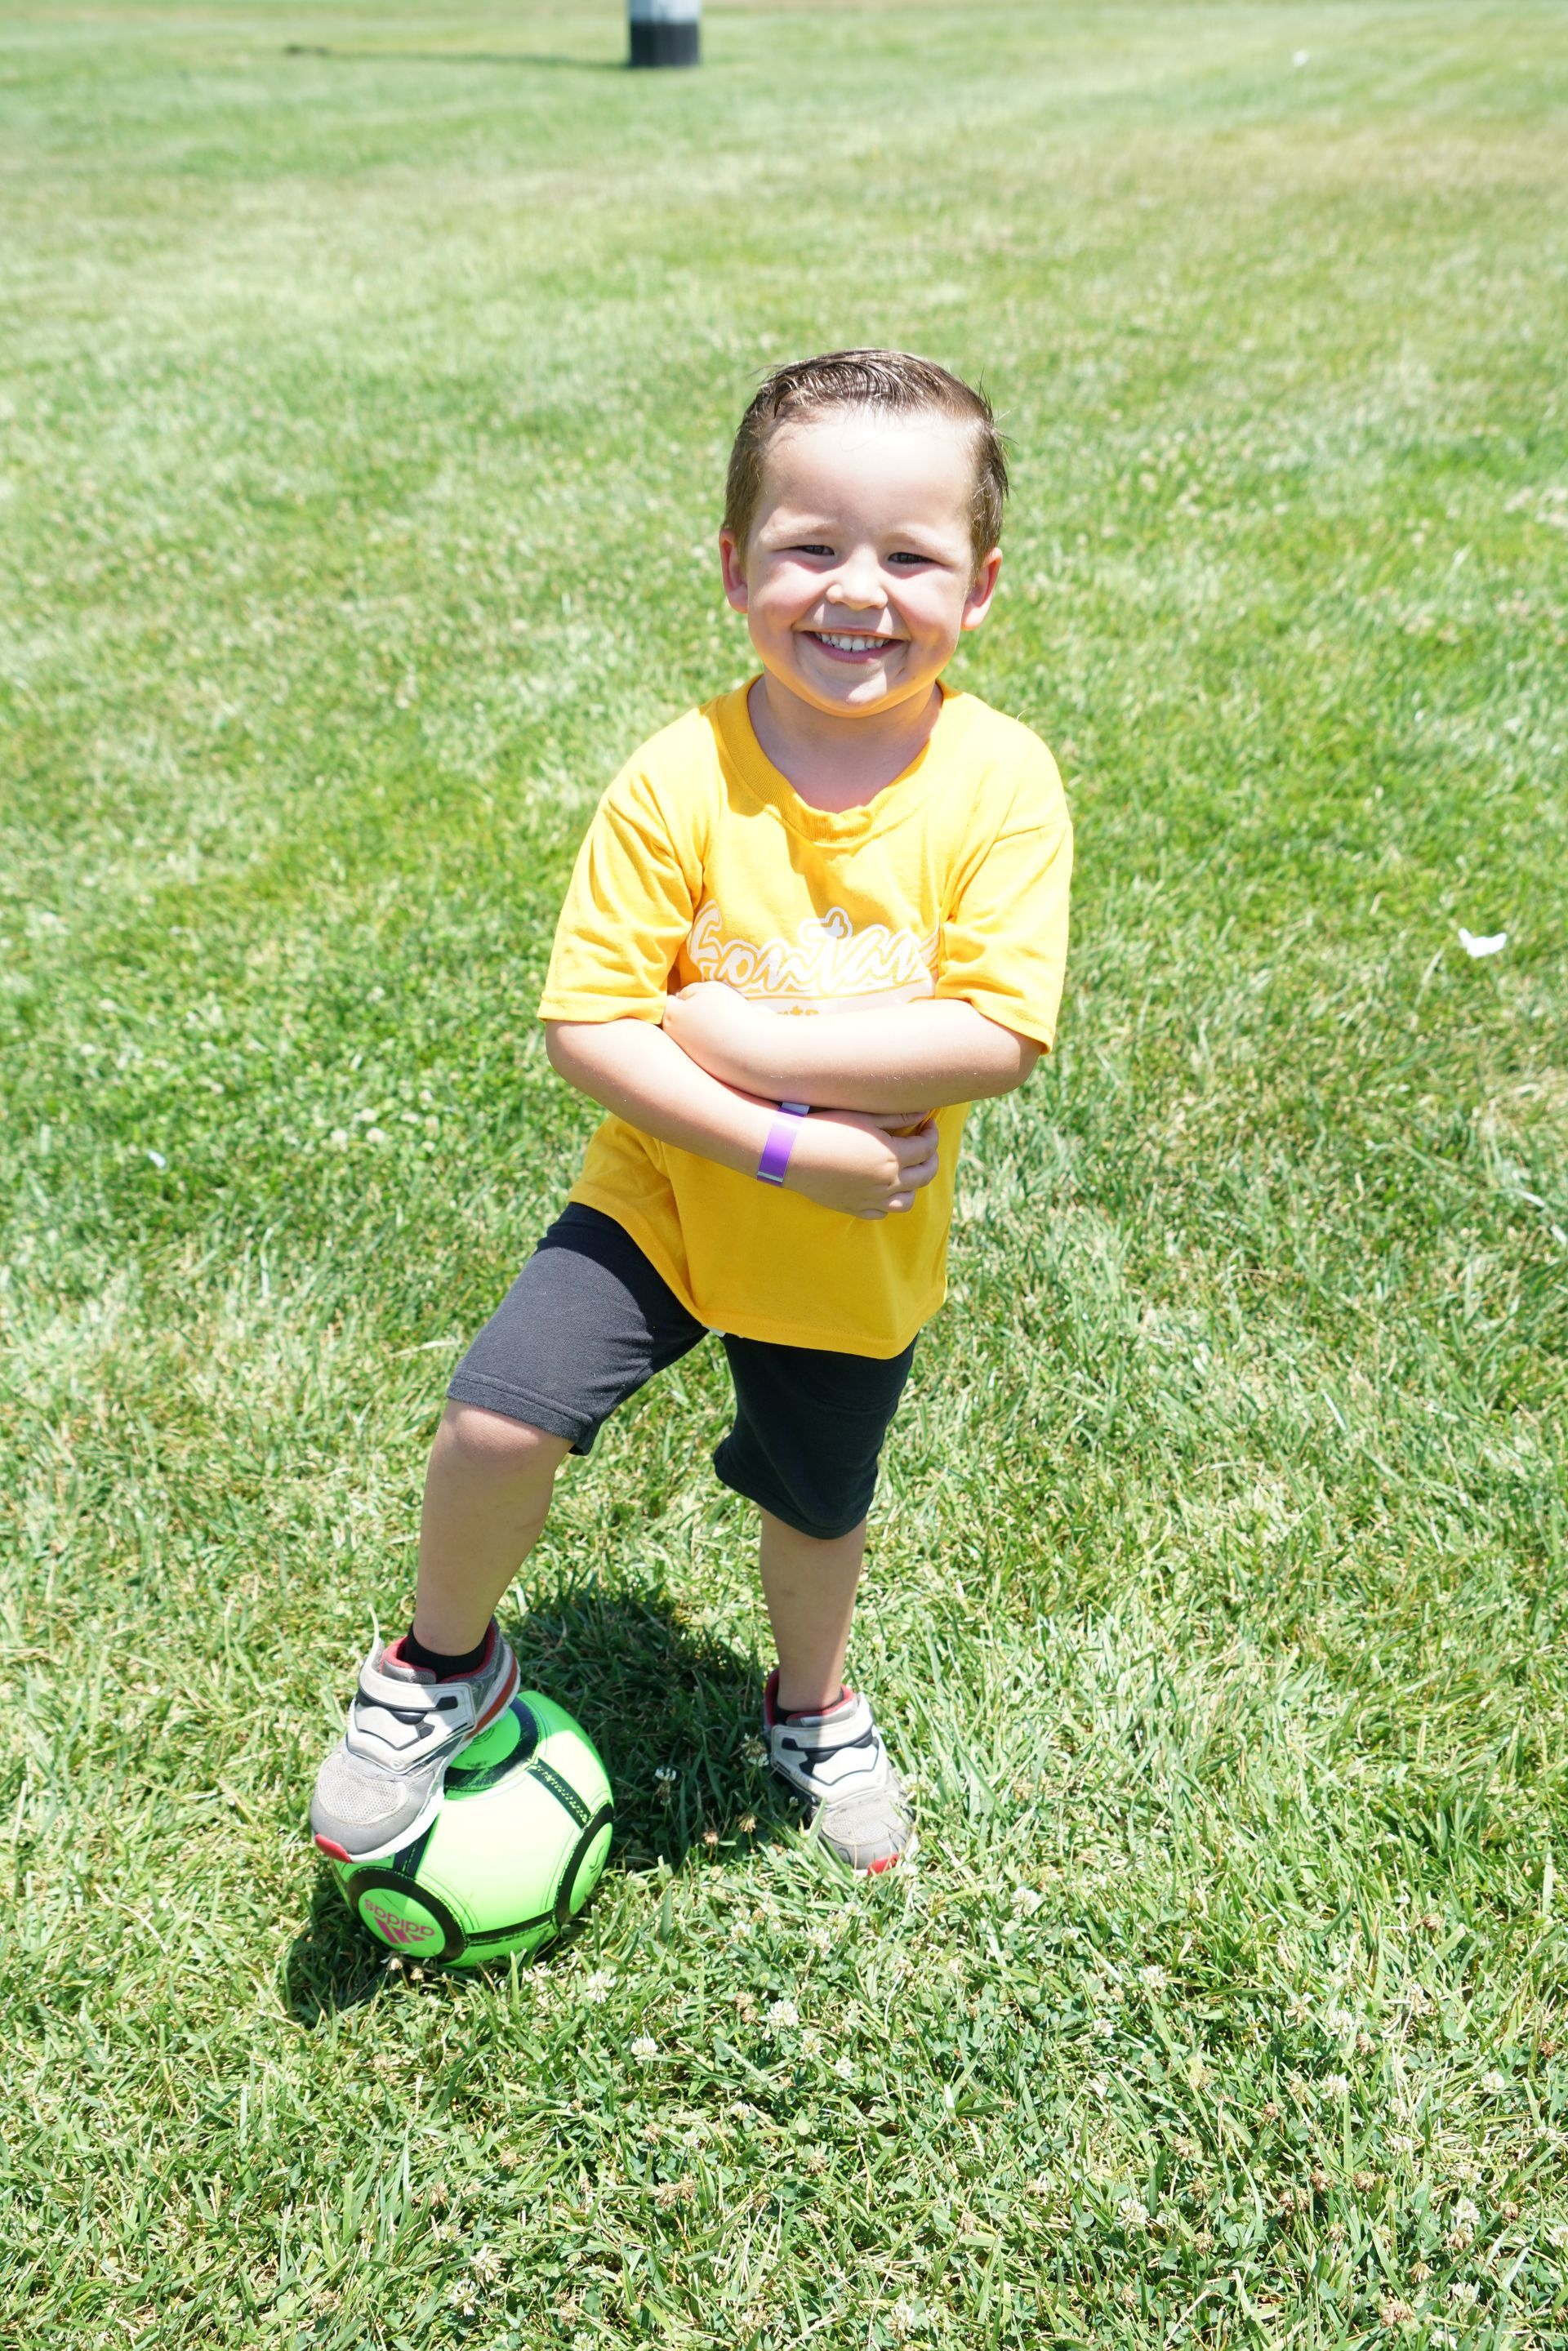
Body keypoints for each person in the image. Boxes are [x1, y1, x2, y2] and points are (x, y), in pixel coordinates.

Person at [310, 349, 1072, 1877]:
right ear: (736, 567)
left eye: (910, 556)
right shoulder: (680, 777)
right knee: (493, 1416)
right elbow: (588, 1027)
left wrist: (733, 1027)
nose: (857, 591)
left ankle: (813, 1702)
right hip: (668, 1194)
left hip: (852, 1251)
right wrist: (789, 1134)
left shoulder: (999, 783)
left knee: (816, 1510)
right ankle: (441, 1663)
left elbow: (991, 1035)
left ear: (979, 587)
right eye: (811, 547)